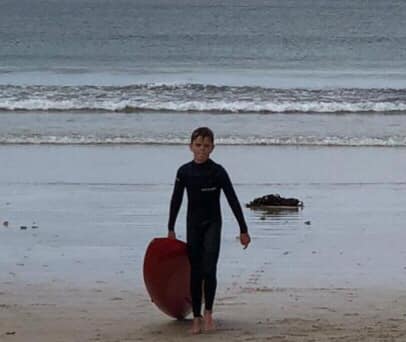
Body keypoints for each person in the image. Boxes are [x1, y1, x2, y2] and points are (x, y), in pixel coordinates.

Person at [167, 127, 251, 334]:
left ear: (212, 147)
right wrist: (170, 228)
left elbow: (232, 200)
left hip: (213, 223)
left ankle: (209, 313)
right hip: (193, 225)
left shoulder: (218, 171)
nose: (202, 150)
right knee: (195, 272)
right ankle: (196, 318)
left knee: (209, 269)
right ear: (190, 147)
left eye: (206, 146)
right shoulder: (184, 172)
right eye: (198, 145)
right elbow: (176, 200)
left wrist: (243, 229)